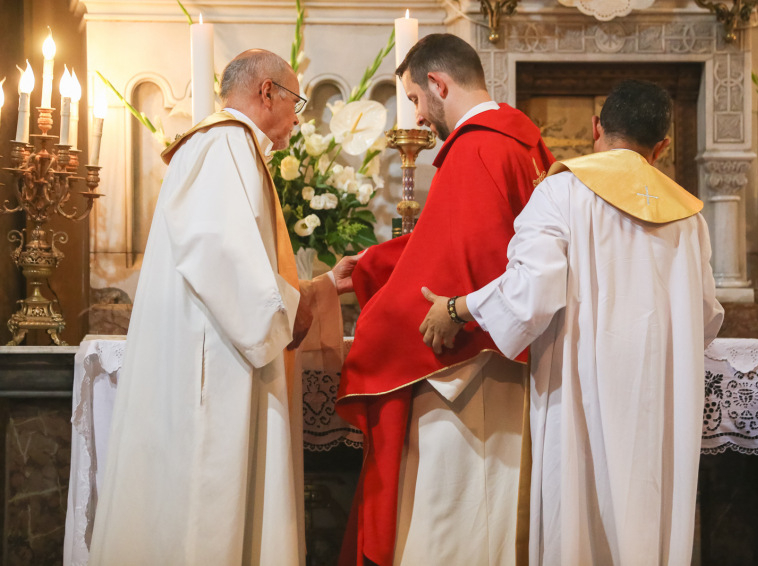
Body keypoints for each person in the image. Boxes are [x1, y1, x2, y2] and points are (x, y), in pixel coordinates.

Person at [419, 80, 725, 566]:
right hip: (659, 400)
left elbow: (532, 294)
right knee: (650, 513)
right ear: (662, 146)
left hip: (581, 393)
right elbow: (706, 316)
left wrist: (458, 308)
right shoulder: (689, 216)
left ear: (596, 127)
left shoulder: (561, 192)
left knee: (579, 517)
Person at [89, 49, 355, 566]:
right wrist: (295, 308)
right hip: (215, 374)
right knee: (206, 517)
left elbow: (243, 273)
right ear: (267, 92)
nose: (298, 118)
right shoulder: (225, 144)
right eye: (296, 102)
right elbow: (224, 260)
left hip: (221, 356)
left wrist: (319, 288)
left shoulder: (228, 148)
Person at [336, 34, 555, 566]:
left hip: (467, 368)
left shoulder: (475, 148)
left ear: (438, 84)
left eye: (415, 98)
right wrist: (372, 266)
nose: (417, 115)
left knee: (458, 515)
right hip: (513, 355)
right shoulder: (524, 142)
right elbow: (452, 243)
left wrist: (382, 324)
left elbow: (466, 263)